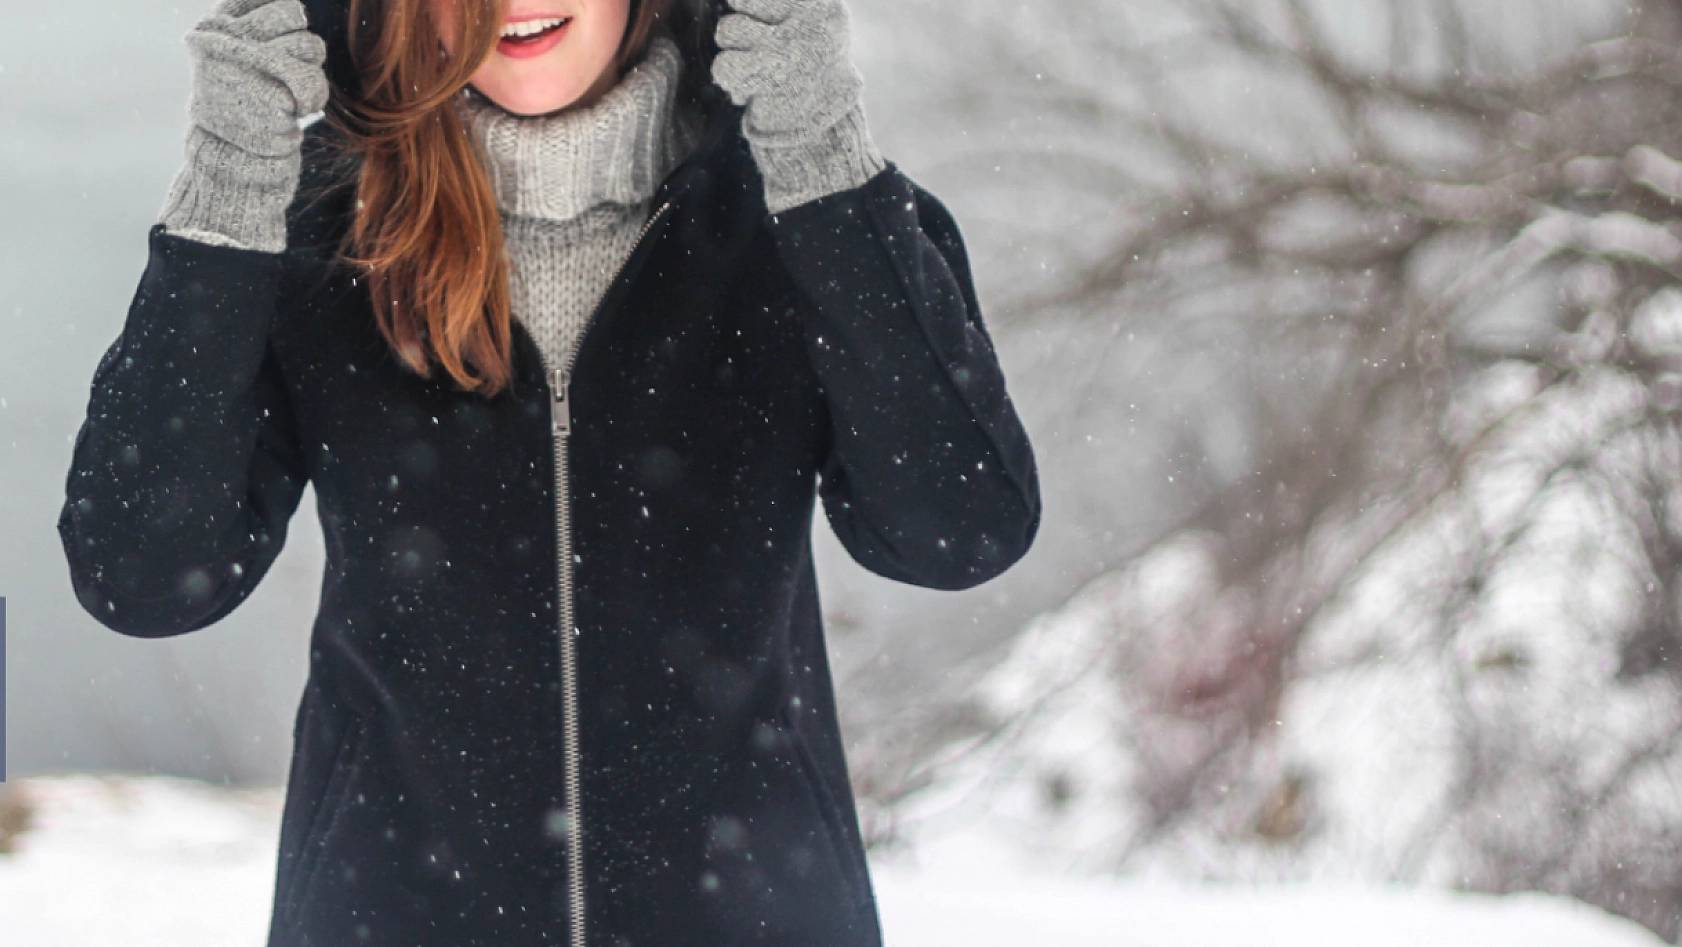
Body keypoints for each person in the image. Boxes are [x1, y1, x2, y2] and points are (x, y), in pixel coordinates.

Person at [57, 0, 1040, 943]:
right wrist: (229, 194)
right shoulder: (321, 231)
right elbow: (142, 576)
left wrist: (819, 153)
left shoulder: (802, 213)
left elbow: (956, 531)